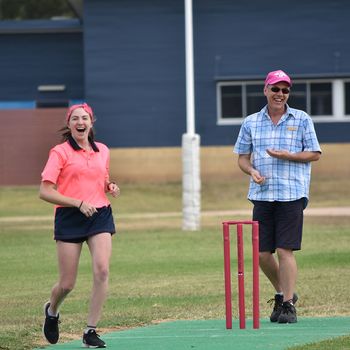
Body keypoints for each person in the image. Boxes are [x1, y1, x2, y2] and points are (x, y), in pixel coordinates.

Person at [234, 70, 321, 324]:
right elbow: (241, 158)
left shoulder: (302, 119)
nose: (280, 94)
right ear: (265, 90)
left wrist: (288, 155)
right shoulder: (251, 122)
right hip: (262, 194)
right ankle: (286, 294)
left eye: (285, 90)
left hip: (292, 193)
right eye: (275, 89)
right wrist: (252, 171)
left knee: (285, 250)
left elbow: (314, 153)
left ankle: (287, 307)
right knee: (262, 254)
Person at [39, 103, 120, 348]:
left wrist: (109, 186)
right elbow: (45, 191)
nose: (80, 122)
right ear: (70, 124)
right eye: (75, 119)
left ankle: (90, 331)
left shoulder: (103, 150)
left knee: (102, 270)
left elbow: (101, 178)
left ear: (91, 122)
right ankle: (52, 311)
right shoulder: (60, 152)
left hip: (100, 214)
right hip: (69, 216)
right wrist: (77, 203)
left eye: (84, 118)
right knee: (67, 283)